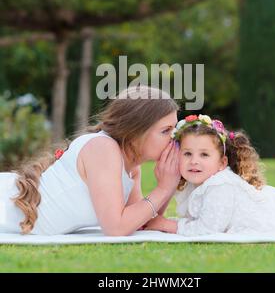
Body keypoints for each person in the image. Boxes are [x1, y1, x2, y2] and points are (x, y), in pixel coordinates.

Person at [0, 85, 181, 236]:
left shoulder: (132, 168)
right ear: (135, 133)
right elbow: (116, 227)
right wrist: (163, 188)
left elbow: (143, 222)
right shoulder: (104, 149)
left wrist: (170, 184)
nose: (173, 137)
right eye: (166, 130)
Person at [143, 114, 275, 236]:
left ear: (222, 163)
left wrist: (165, 224)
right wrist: (163, 222)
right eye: (187, 154)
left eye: (204, 155)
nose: (194, 161)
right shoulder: (198, 183)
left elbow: (207, 229)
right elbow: (197, 221)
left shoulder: (220, 185)